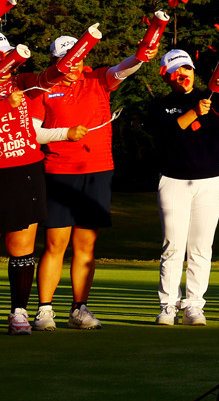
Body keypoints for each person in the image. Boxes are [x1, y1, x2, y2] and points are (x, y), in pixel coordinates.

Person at [32, 33, 148, 332]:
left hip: (96, 170)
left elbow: (124, 67)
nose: (73, 63)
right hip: (58, 170)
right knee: (55, 244)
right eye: (66, 59)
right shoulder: (42, 87)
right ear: (55, 62)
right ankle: (45, 310)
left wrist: (142, 53)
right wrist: (65, 134)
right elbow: (33, 133)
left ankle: (79, 309)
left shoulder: (97, 79)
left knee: (86, 245)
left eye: (78, 57)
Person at [0, 36, 86, 335]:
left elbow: (48, 77)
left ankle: (19, 313)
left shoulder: (22, 81)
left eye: (9, 56)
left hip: (23, 167)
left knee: (21, 246)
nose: (7, 62)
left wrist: (75, 55)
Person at [150, 49, 219, 326]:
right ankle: (168, 306)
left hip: (210, 181)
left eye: (187, 69)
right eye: (176, 71)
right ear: (166, 76)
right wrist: (194, 112)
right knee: (173, 246)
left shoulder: (210, 97)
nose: (183, 74)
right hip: (173, 181)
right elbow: (167, 132)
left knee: (200, 247)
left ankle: (194, 305)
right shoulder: (160, 105)